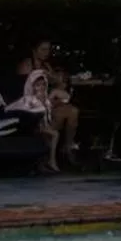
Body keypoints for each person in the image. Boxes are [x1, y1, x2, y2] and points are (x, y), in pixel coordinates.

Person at [14, 41, 78, 172]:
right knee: (59, 115)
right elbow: (26, 89)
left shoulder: (47, 66)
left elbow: (56, 83)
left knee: (73, 111)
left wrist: (54, 77)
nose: (46, 53)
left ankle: (67, 146)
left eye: (48, 50)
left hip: (47, 100)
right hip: (33, 103)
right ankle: (47, 155)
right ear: (34, 50)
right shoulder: (27, 65)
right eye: (43, 49)